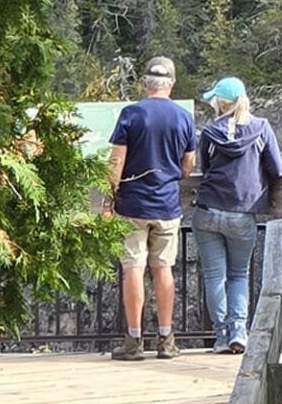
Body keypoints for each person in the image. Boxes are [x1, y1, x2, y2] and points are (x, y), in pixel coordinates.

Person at [107, 58, 198, 362]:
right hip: (167, 204)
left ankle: (133, 341)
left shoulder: (131, 113)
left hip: (132, 203)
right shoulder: (184, 117)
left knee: (133, 267)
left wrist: (110, 197)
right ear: (171, 83)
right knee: (163, 269)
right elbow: (188, 166)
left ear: (145, 84)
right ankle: (166, 339)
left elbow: (116, 161)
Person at [194, 76, 282, 356]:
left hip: (208, 210)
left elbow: (205, 169)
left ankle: (221, 336)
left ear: (220, 102)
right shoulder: (261, 128)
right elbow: (277, 168)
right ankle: (239, 332)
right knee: (238, 274)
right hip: (243, 212)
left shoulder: (209, 132)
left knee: (214, 275)